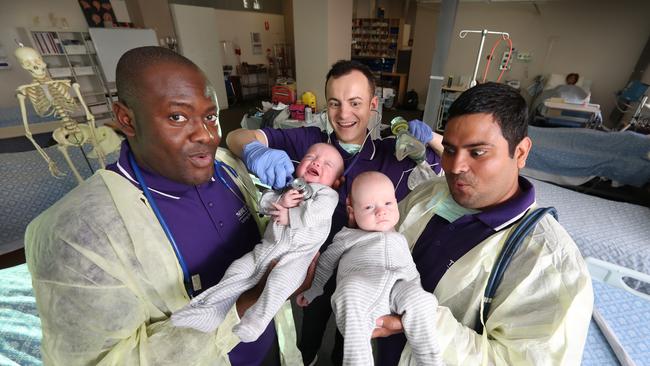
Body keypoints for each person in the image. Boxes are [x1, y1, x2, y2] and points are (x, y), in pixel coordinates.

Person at [24, 46, 302, 365]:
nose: (207, 136)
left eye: (210, 116)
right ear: (126, 119)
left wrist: (290, 232)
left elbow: (260, 239)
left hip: (268, 348)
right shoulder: (76, 235)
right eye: (177, 117)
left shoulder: (227, 168)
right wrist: (252, 302)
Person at [227, 59, 444, 364]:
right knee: (309, 327)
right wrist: (255, 150)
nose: (343, 115)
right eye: (334, 103)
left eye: (355, 103)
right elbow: (236, 137)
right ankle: (308, 357)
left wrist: (431, 138)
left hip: (364, 272)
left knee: (351, 336)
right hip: (310, 264)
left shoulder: (392, 153)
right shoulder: (310, 142)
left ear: (372, 105)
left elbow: (458, 162)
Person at [373, 82, 593, 365]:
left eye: (477, 152)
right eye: (450, 150)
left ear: (522, 152)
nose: (454, 167)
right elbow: (384, 241)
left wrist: (422, 321)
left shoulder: (550, 267)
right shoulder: (430, 193)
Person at [172, 143, 343, 343]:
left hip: (296, 259)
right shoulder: (288, 187)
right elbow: (264, 202)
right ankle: (212, 309)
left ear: (336, 182)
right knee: (238, 270)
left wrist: (291, 214)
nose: (316, 162)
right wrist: (280, 201)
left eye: (327, 164)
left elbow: (318, 213)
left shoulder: (327, 195)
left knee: (279, 281)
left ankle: (257, 321)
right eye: (310, 156)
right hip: (265, 250)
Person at [297, 172, 442, 366]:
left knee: (424, 300)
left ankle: (430, 361)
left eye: (388, 204)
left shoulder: (399, 237)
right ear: (352, 211)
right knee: (349, 288)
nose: (381, 212)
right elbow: (326, 262)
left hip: (397, 290)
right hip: (361, 291)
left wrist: (414, 289)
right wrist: (314, 289)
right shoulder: (348, 236)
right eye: (368, 207)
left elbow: (410, 268)